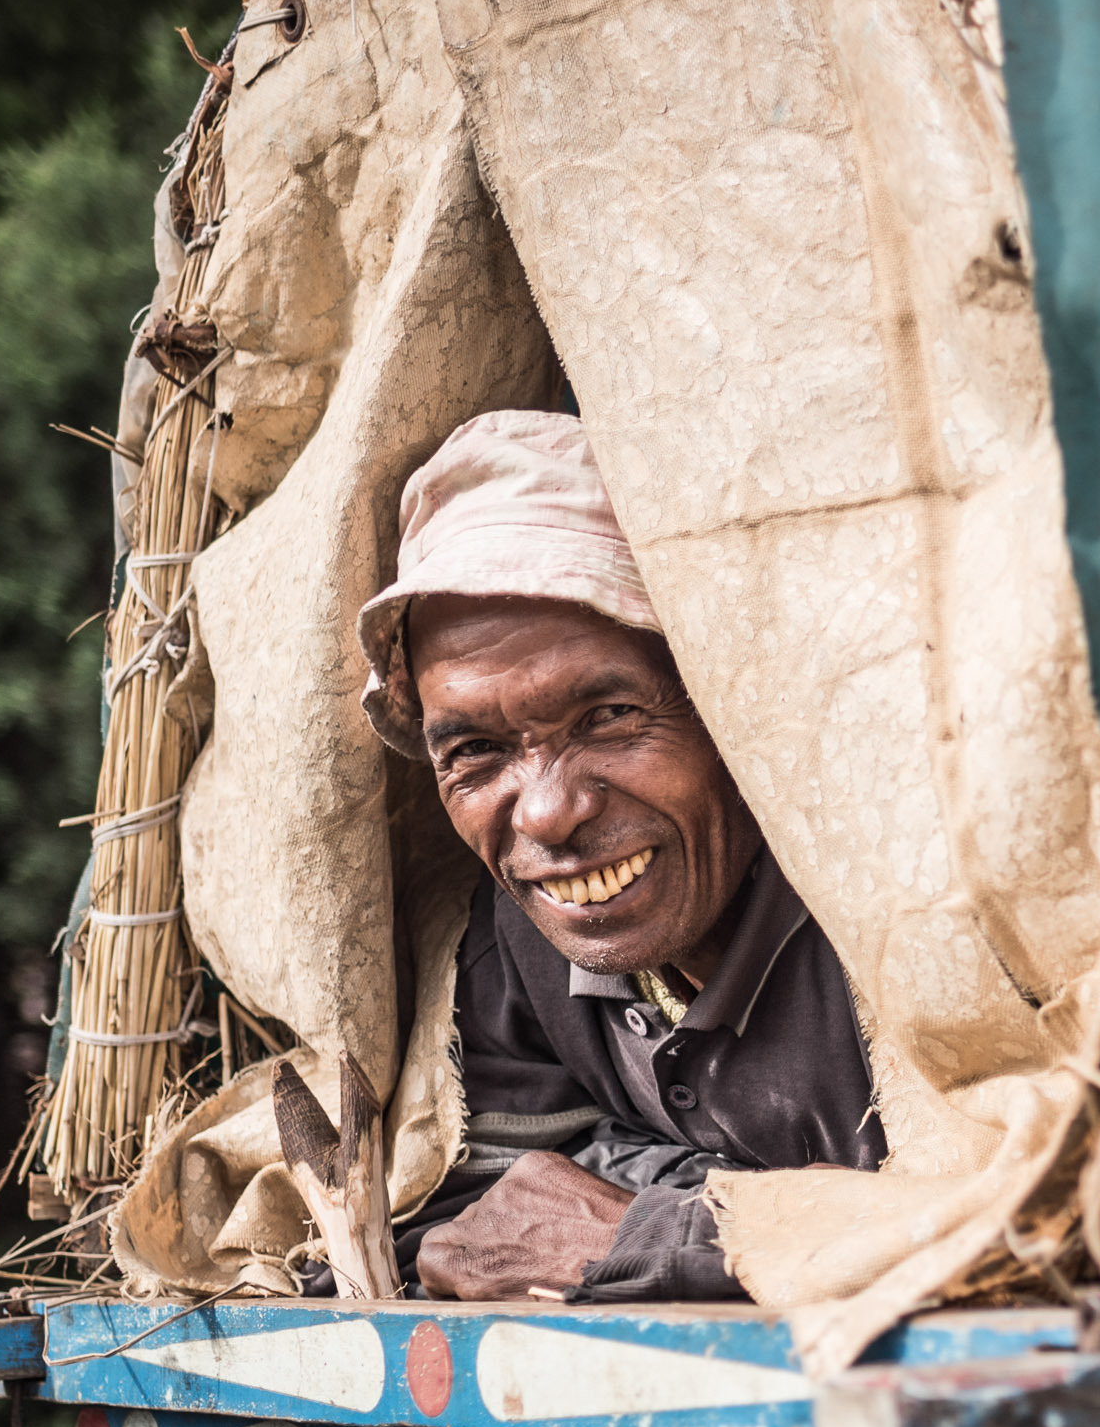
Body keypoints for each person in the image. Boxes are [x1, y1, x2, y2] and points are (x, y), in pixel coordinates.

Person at [359, 410, 880, 1300]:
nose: (548, 814)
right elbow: (476, 1225)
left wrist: (651, 1228)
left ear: (726, 703)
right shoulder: (513, 950)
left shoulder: (892, 932)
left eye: (608, 716)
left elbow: (1036, 1212)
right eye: (475, 751)